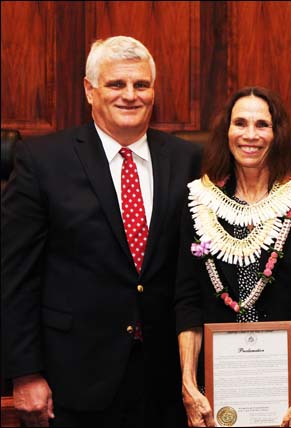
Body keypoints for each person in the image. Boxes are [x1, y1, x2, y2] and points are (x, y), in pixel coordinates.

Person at [0, 36, 202, 427]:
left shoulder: (187, 159)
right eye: (116, 84)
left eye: (141, 85)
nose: (130, 95)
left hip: (166, 382)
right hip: (73, 379)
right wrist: (24, 372)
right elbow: (14, 275)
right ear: (89, 91)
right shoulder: (43, 160)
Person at [174, 86, 291, 427]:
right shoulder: (200, 202)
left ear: (277, 134)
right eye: (240, 123)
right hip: (214, 390)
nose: (250, 135)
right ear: (226, 131)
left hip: (289, 388)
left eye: (262, 125)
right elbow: (187, 301)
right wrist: (188, 386)